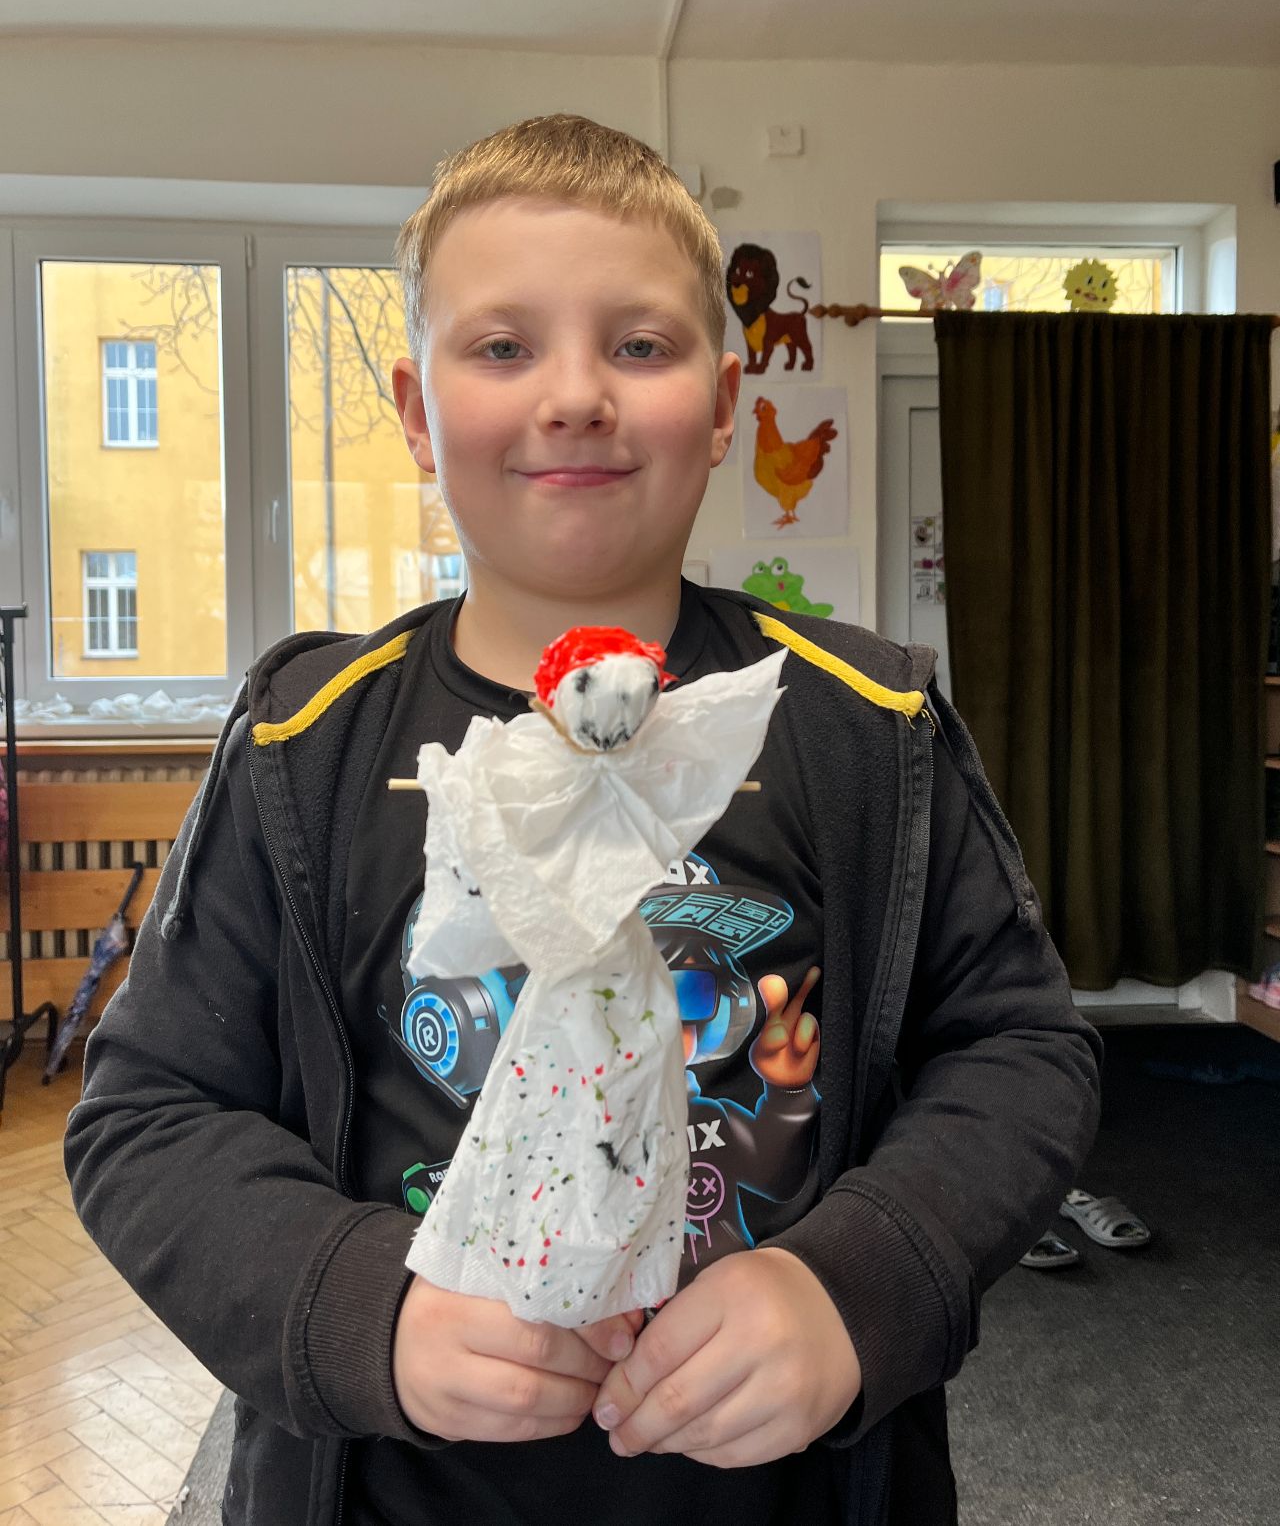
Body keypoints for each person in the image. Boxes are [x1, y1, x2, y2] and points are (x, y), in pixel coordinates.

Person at [64, 113, 1102, 1526]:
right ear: (417, 411)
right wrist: (365, 1311)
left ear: (724, 403)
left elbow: (1022, 1053)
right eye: (503, 347)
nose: (574, 395)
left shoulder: (870, 727)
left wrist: (851, 1287)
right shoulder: (302, 746)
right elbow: (148, 1115)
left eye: (640, 345)